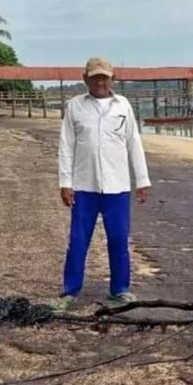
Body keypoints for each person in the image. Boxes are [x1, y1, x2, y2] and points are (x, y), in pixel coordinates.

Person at [52, 57, 151, 311]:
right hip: (84, 187)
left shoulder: (123, 106)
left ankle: (120, 289)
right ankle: (70, 291)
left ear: (112, 79)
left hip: (117, 187)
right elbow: (66, 147)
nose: (100, 81)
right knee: (78, 239)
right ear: (85, 79)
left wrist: (142, 180)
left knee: (118, 239)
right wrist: (65, 182)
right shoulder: (75, 106)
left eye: (104, 77)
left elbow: (134, 144)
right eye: (95, 77)